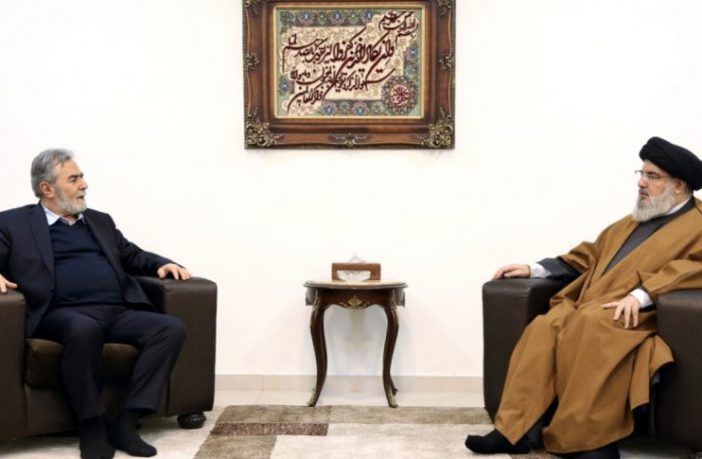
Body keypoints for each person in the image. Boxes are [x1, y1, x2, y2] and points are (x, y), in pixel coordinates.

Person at [466, 137, 702, 459]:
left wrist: (641, 295)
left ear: (679, 185)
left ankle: (589, 442)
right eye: (641, 173)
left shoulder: (697, 224)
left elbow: (693, 268)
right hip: (592, 303)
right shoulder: (633, 221)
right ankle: (515, 432)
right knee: (545, 327)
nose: (641, 182)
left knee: (590, 325)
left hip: (641, 314)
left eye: (652, 176)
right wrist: (534, 268)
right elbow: (590, 255)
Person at [0, 149, 192, 459]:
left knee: (170, 328)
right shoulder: (13, 223)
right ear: (47, 188)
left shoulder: (99, 221)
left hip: (116, 309)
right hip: (59, 313)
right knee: (83, 328)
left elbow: (131, 254)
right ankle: (91, 425)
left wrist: (162, 263)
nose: (84, 184)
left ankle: (127, 421)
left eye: (82, 177)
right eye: (73, 179)